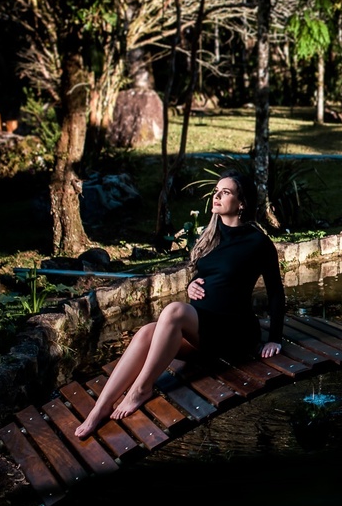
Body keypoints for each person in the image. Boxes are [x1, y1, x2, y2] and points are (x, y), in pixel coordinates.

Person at [74, 170, 285, 439]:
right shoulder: (211, 236)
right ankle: (99, 409)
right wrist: (192, 284)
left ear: (241, 203)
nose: (217, 196)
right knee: (145, 333)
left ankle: (141, 389)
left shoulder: (258, 243)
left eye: (226, 192)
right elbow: (209, 275)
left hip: (235, 333)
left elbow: (276, 292)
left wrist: (275, 338)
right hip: (206, 329)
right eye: (216, 191)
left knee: (173, 311)